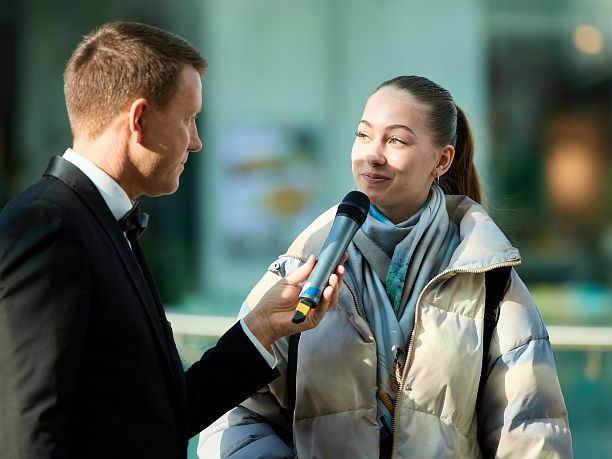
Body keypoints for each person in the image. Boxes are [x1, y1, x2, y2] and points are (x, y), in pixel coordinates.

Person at [0, 21, 344, 459]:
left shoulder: (101, 223)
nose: (197, 142)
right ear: (139, 119)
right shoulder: (49, 226)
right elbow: (26, 428)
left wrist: (263, 326)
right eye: (188, 119)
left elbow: (159, 417)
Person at [198, 75, 573, 458]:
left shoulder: (487, 279)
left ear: (442, 160)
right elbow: (235, 415)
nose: (372, 155)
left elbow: (531, 430)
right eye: (364, 135)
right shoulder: (303, 267)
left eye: (396, 140)